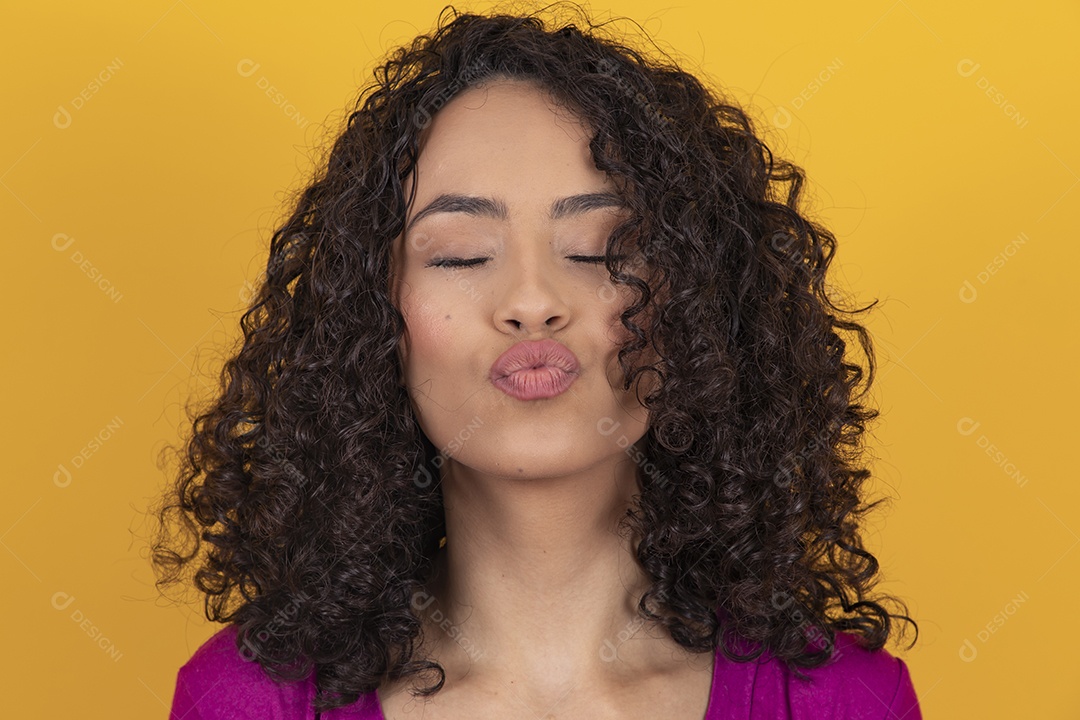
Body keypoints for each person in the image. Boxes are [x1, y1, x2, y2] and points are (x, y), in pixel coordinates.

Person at [154, 4, 921, 718]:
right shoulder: (250, 700)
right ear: (374, 320)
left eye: (597, 249)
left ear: (697, 306)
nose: (531, 300)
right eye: (460, 256)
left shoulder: (843, 699)